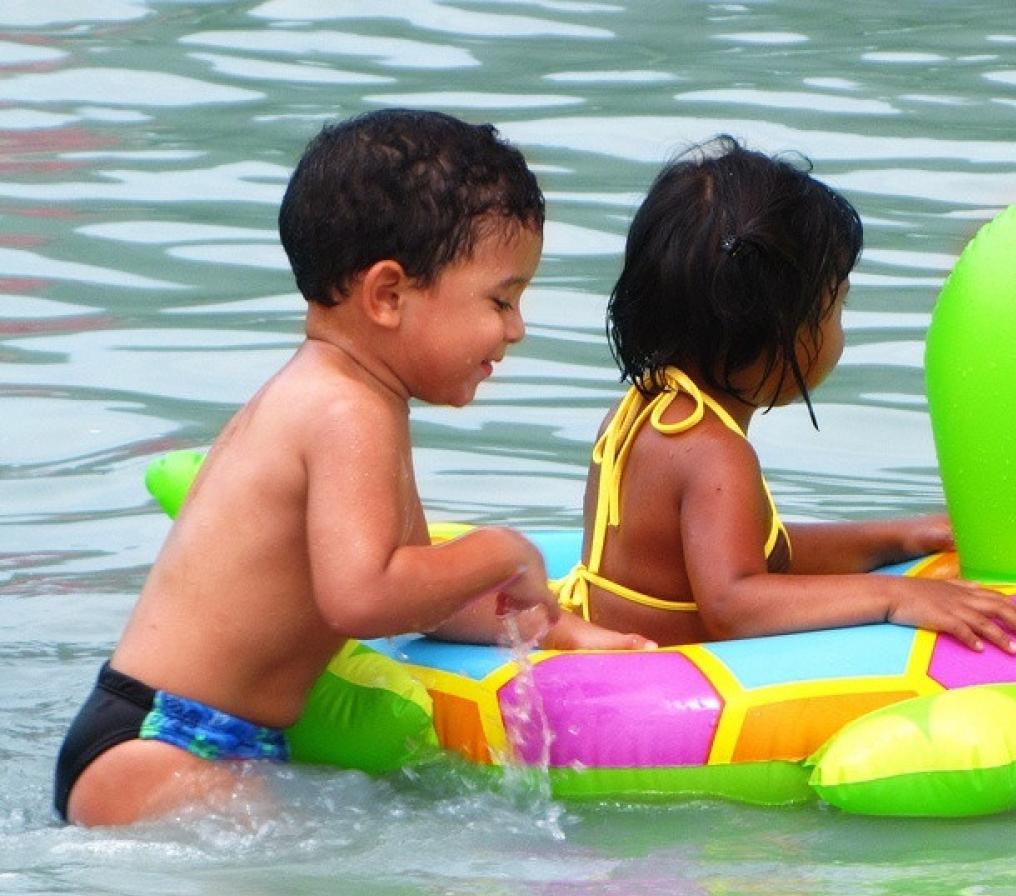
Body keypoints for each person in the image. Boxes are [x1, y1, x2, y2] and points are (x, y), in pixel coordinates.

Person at [54, 109, 650, 828]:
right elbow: (363, 597)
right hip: (160, 748)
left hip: (172, 739)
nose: (516, 329)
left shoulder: (360, 400)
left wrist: (559, 631)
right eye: (502, 299)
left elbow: (419, 592)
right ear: (389, 295)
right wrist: (503, 549)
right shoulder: (344, 412)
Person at [559, 136, 1016, 652]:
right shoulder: (715, 454)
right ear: (784, 326)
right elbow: (734, 604)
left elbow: (755, 553)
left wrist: (897, 538)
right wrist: (896, 596)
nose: (840, 330)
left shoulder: (642, 410)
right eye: (837, 307)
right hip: (662, 695)